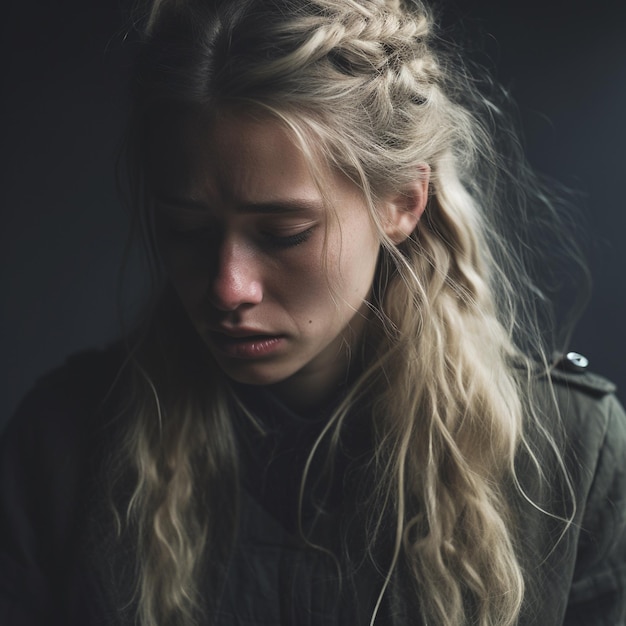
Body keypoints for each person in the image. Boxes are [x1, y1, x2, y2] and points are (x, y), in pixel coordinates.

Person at [1, 0, 625, 625]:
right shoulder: (63, 447)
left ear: (402, 203)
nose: (228, 288)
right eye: (186, 230)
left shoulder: (571, 455)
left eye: (283, 233)